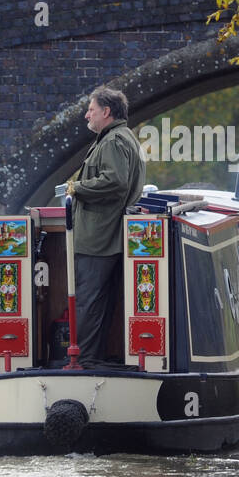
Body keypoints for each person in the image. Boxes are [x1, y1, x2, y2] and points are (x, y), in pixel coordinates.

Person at [65, 87, 146, 367]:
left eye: (91, 109)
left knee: (88, 302)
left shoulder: (112, 141)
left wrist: (76, 188)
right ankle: (92, 358)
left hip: (98, 236)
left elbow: (115, 181)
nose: (87, 114)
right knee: (99, 301)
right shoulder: (124, 137)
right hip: (109, 234)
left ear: (106, 112)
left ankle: (84, 361)